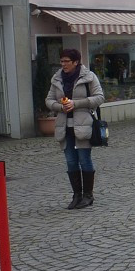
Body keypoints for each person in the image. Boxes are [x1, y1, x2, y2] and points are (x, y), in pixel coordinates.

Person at [46, 48, 105, 210]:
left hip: (83, 126)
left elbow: (100, 97)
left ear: (76, 62)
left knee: (84, 159)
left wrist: (76, 103)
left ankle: (88, 195)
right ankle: (76, 195)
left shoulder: (89, 77)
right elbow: (49, 100)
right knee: (71, 162)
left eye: (66, 61)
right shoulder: (57, 78)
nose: (63, 64)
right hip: (64, 127)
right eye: (62, 61)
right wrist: (60, 106)